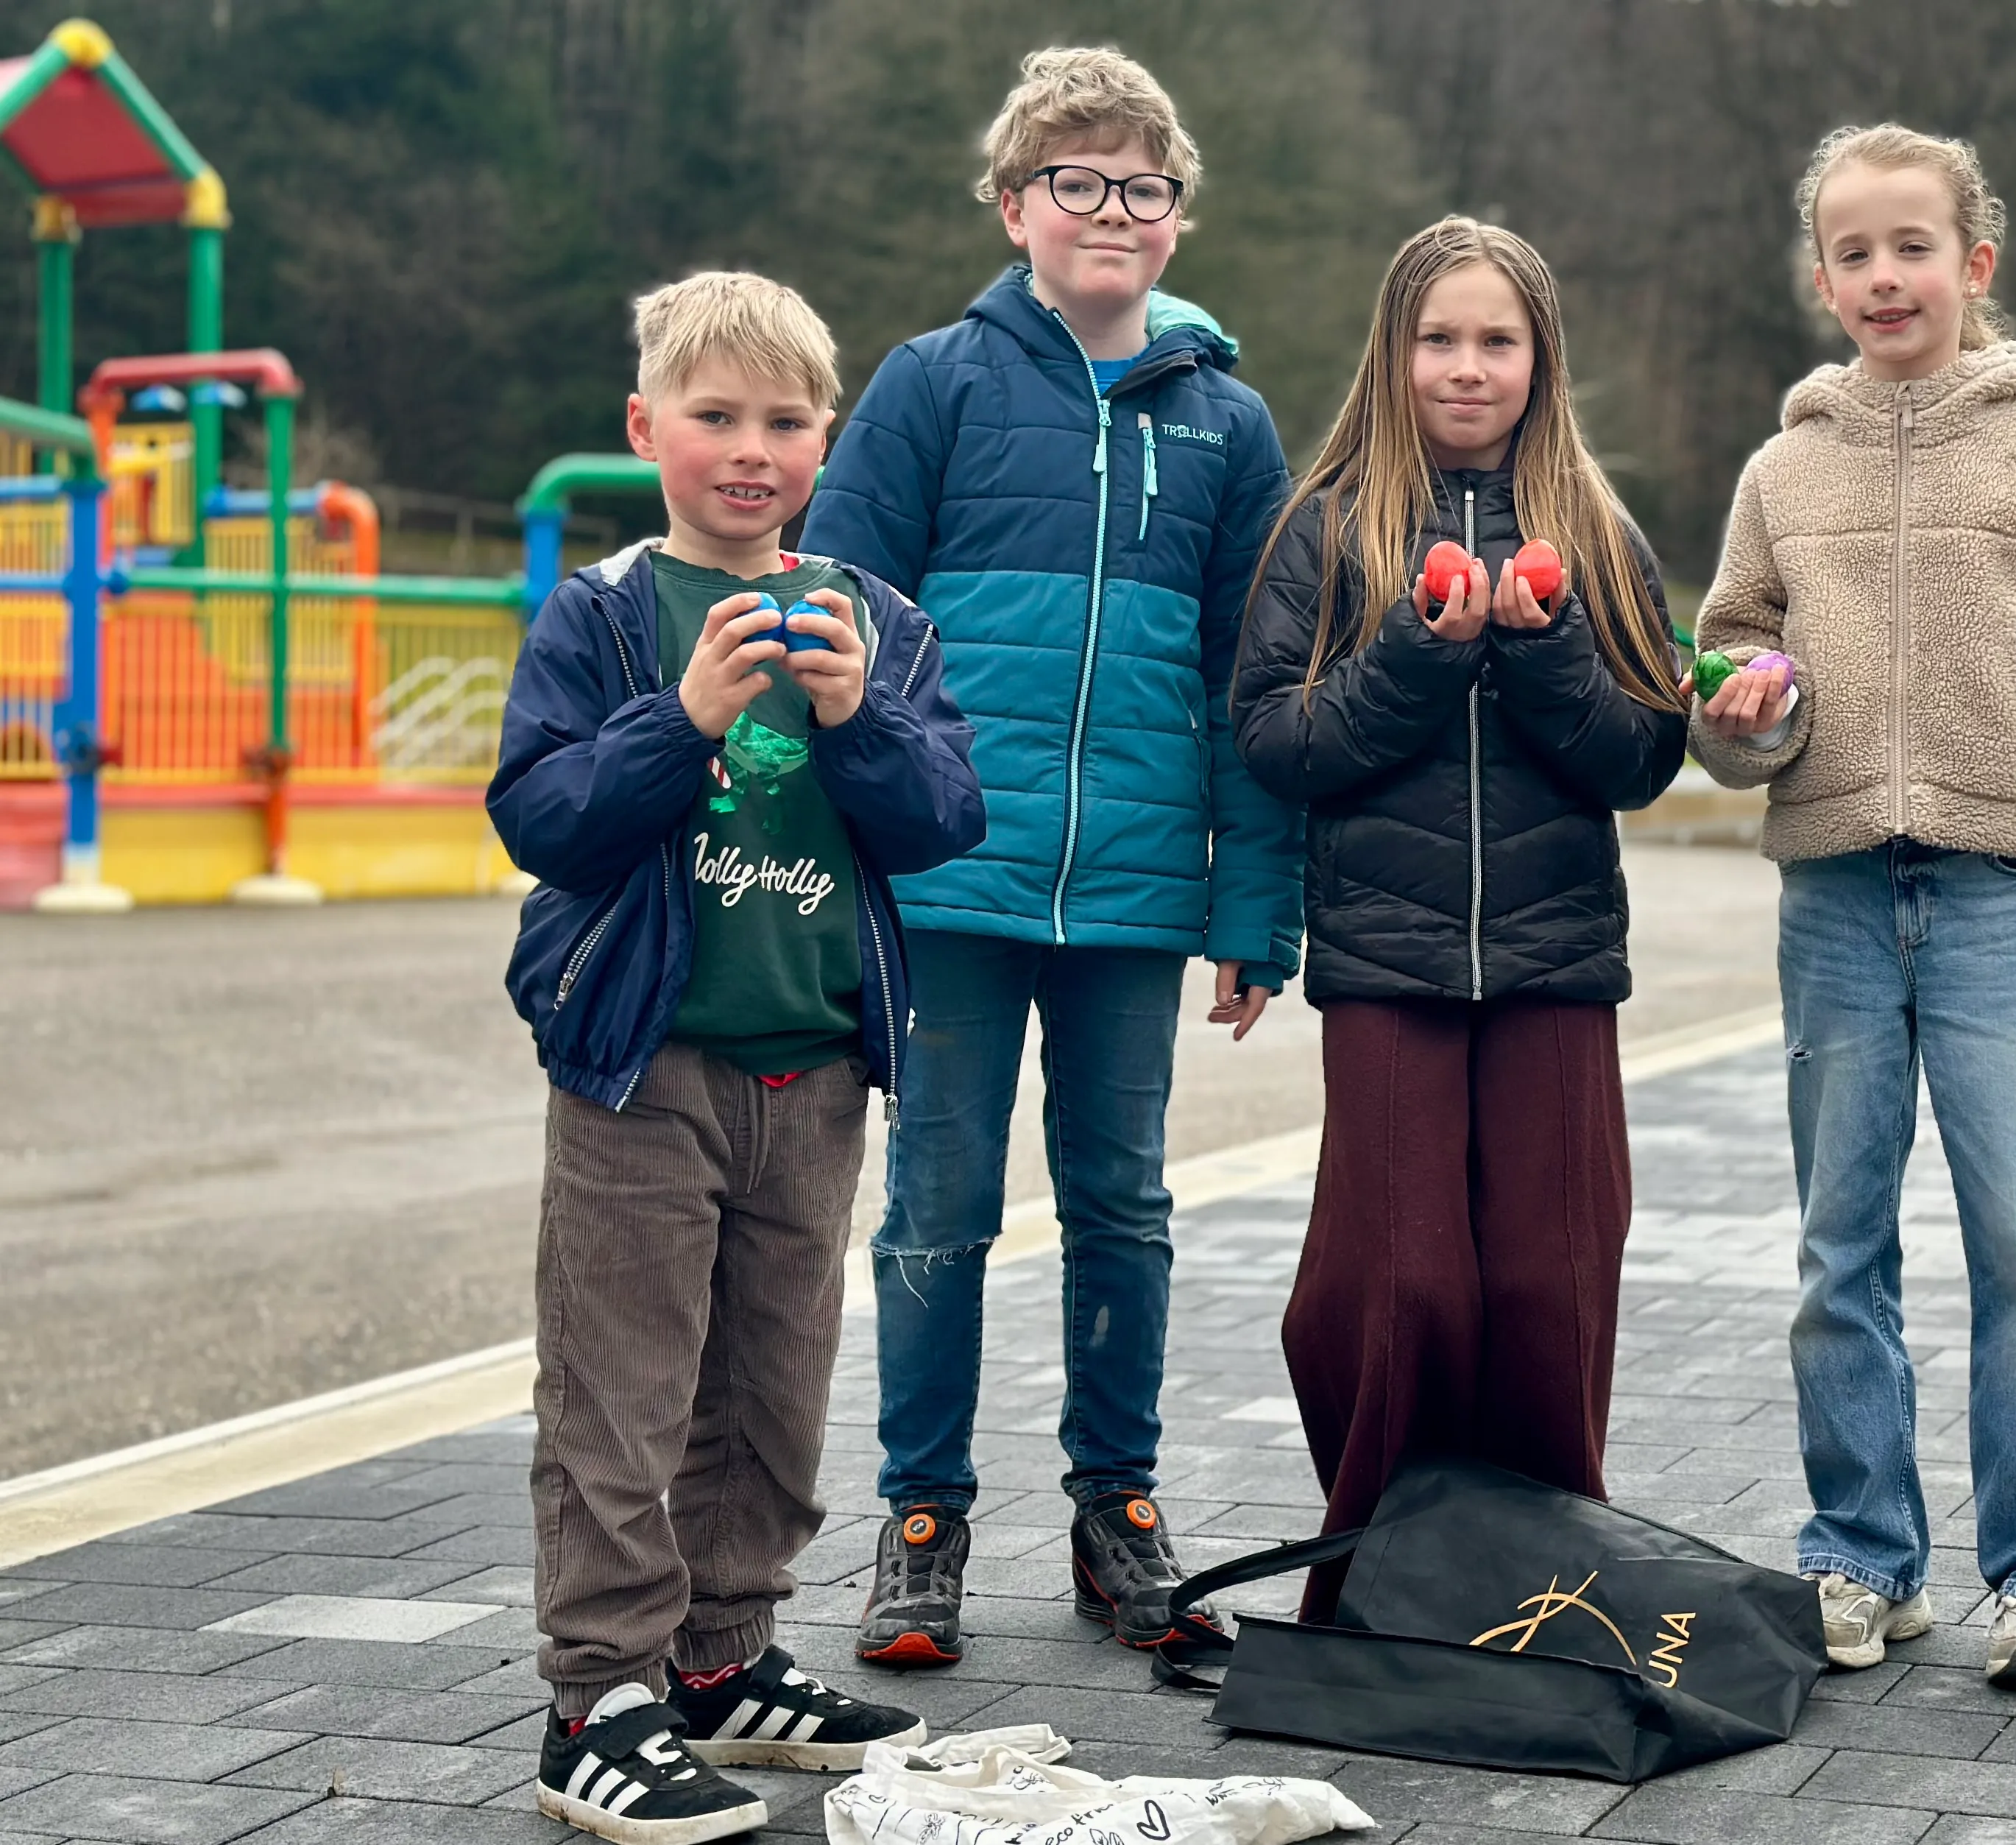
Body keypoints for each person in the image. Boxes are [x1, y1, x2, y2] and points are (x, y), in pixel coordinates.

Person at [799, 48, 1304, 1668]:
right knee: (938, 1204)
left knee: (1124, 1206)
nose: (1111, 208)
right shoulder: (932, 382)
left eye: (1142, 186)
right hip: (947, 886)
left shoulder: (1228, 422)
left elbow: (1254, 677)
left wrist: (1253, 901)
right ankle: (923, 1516)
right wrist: (856, 861)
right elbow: (845, 633)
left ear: (1175, 223)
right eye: (1074, 180)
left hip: (1139, 896)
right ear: (1015, 207)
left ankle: (1118, 1508)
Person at [489, 270, 986, 1843]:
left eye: (785, 419)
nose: (751, 448)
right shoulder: (606, 610)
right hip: (644, 1069)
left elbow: (945, 816)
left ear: (827, 437)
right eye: (715, 416)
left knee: (772, 1389)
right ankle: (599, 1700)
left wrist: (858, 721)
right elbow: (540, 817)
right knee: (620, 1399)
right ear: (648, 428)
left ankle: (722, 1659)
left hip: (815, 1074)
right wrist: (676, 718)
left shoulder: (875, 616)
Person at [1691, 124, 2016, 1689]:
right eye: (1853, 251)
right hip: (1832, 894)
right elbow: (1726, 672)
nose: (1883, 275)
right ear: (1821, 277)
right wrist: (1746, 713)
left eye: (1913, 247)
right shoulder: (1784, 469)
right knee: (1841, 1245)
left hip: (2001, 899)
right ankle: (1860, 1557)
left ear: (1974, 265)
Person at [1234, 217, 1691, 1621]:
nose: (1468, 366)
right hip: (1388, 965)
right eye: (1441, 338)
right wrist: (1420, 663)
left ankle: (1549, 1585)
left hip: (1557, 967)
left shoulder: (1598, 534)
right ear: (1396, 351)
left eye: (1498, 340)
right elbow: (1275, 739)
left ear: (1540, 359)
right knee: (1397, 1285)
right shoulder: (1328, 526)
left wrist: (1544, 650)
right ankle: (1379, 1580)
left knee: (1555, 1283)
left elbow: (1641, 754)